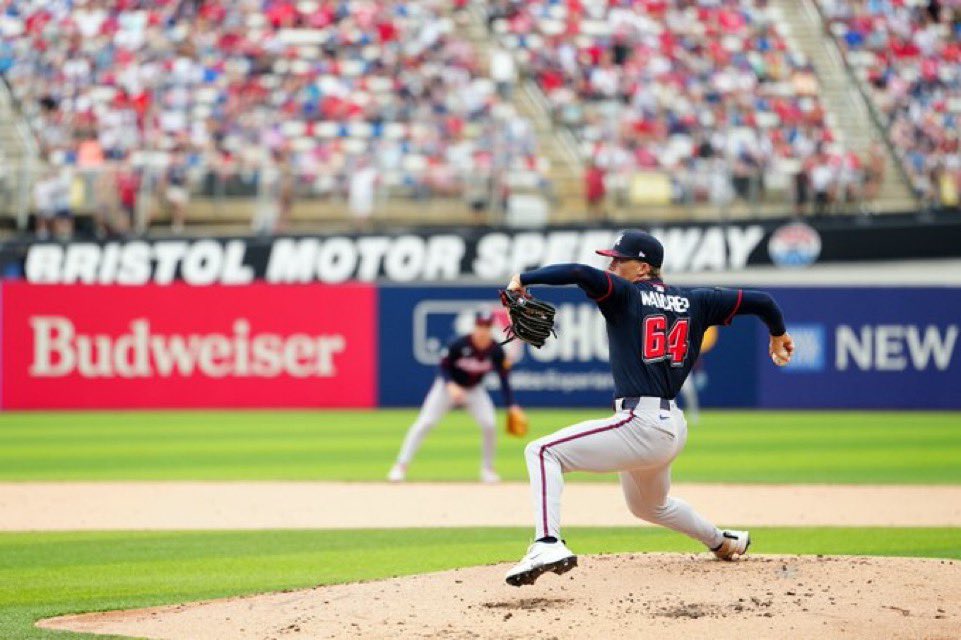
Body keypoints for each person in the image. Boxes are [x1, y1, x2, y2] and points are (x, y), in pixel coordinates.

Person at [502, 230, 794, 587]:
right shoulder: (695, 301)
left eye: (618, 260)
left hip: (640, 424)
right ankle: (722, 541)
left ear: (642, 267)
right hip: (671, 426)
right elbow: (763, 301)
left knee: (542, 451)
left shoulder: (624, 294)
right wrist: (778, 334)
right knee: (648, 506)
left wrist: (523, 278)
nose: (611, 267)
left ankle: (547, 544)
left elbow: (578, 272)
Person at [389, 312, 521, 484]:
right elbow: (443, 366)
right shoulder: (459, 344)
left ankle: (488, 470)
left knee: (489, 424)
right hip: (446, 388)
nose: (483, 330)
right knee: (425, 423)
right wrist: (450, 385)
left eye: (487, 326)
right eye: (480, 325)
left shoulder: (496, 350)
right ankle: (400, 466)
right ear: (474, 326)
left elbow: (504, 378)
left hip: (474, 390)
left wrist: (511, 405)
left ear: (491, 328)